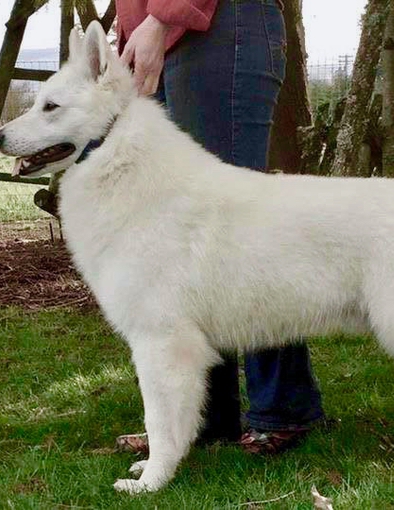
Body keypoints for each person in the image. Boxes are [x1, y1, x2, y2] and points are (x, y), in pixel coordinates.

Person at [114, 0, 324, 453]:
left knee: (239, 233)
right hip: (160, 34)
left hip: (220, 26)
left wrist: (158, 18)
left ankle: (282, 408)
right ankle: (204, 416)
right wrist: (131, 25)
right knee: (185, 247)